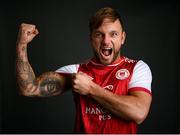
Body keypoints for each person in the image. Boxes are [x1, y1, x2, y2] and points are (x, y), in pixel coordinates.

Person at [16, 7, 152, 134]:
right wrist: (21, 44)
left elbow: (139, 113)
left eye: (113, 34)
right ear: (91, 38)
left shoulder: (137, 68)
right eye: (99, 34)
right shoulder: (76, 71)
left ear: (122, 38)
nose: (106, 41)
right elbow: (29, 88)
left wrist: (91, 89)